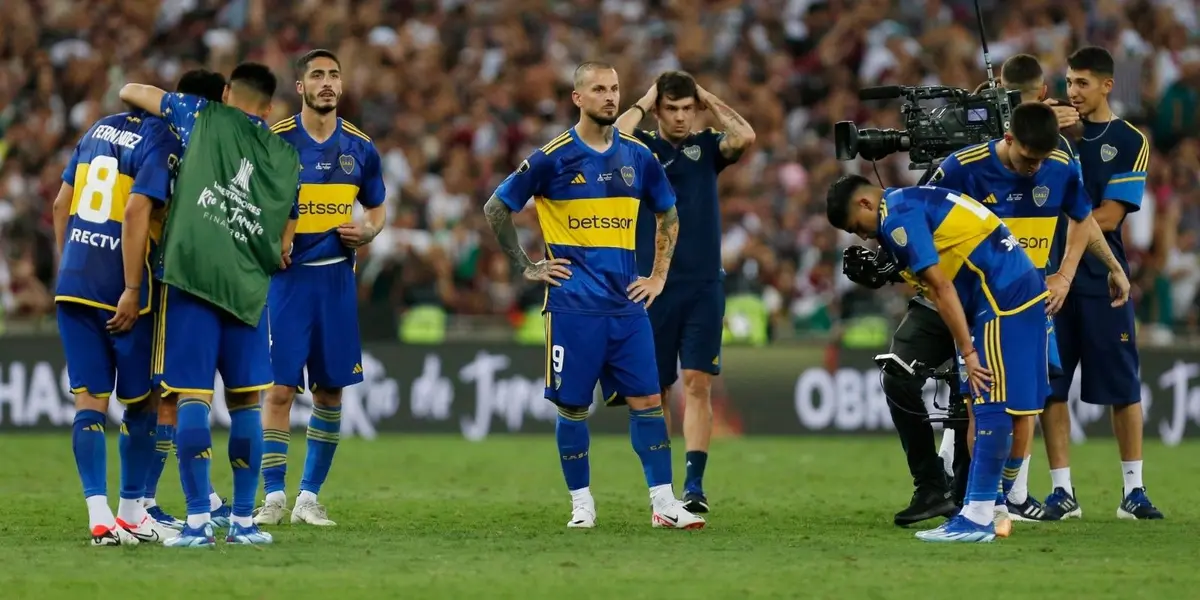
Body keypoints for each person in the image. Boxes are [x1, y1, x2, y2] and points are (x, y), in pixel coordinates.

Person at [482, 61, 704, 530]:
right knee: (574, 407)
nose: (610, 96)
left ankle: (663, 503)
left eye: (616, 88)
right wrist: (527, 266)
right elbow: (496, 207)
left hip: (627, 306)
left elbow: (669, 215)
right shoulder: (552, 157)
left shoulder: (639, 157)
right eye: (599, 89)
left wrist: (659, 276)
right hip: (573, 306)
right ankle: (582, 503)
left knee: (648, 401)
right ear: (577, 97)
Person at [119, 62, 301, 547]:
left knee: (190, 397)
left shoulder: (199, 114)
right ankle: (244, 521)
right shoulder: (285, 156)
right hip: (247, 290)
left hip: (192, 278)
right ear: (269, 107)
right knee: (245, 402)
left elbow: (132, 89)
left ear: (225, 92)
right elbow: (288, 233)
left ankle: (198, 521)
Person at [929, 101, 1131, 529]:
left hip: (1033, 304)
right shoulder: (962, 167)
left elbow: (1082, 218)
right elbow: (924, 216)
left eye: (1039, 160)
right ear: (1007, 139)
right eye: (1025, 158)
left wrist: (1064, 274)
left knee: (1026, 410)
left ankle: (1004, 498)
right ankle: (986, 499)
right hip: (980, 303)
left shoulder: (1058, 165)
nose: (1031, 168)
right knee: (983, 404)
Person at [826, 174, 1050, 543]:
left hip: (998, 296)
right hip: (1015, 287)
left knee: (988, 398)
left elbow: (941, 285)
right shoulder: (908, 201)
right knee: (993, 406)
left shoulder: (896, 217)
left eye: (857, 227)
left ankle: (978, 516)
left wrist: (967, 349)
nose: (864, 237)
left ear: (864, 203)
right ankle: (989, 507)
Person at [609, 70, 755, 513]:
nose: (679, 117)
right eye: (670, 109)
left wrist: (707, 97)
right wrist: (648, 94)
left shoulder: (708, 146)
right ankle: (664, 489)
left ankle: (694, 485)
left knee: (697, 383)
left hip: (703, 283)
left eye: (686, 109)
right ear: (657, 110)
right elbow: (615, 133)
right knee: (655, 388)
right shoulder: (640, 149)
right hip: (651, 285)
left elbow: (745, 135)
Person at [254, 49, 387, 528]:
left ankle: (308, 497)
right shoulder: (272, 142)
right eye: (317, 75)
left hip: (335, 280)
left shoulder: (360, 147)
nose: (327, 82)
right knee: (280, 390)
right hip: (286, 283)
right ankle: (273, 496)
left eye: (334, 74)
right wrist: (269, 240)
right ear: (300, 86)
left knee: (330, 392)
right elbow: (245, 207)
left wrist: (370, 232)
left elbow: (376, 209)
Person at [51, 85, 184, 547]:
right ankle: (130, 510)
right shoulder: (161, 139)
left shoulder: (94, 131)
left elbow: (60, 205)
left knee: (89, 402)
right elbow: (135, 210)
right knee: (141, 401)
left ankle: (99, 515)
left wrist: (70, 260)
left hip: (74, 283)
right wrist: (130, 286)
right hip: (124, 289)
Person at [1042, 46, 1163, 520]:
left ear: (1107, 85)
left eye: (1083, 83)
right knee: (1052, 387)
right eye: (1069, 82)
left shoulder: (1130, 140)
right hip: (1047, 276)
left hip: (1098, 277)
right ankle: (1062, 492)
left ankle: (1133, 491)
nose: (1073, 92)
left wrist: (1070, 254)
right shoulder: (1048, 134)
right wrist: (1054, 136)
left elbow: (1110, 216)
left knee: (1122, 386)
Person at [140, 68, 230, 532]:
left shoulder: (177, 132)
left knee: (183, 391)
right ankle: (145, 501)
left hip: (181, 274)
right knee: (172, 394)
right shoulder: (219, 138)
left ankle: (185, 494)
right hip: (181, 278)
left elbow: (131, 89)